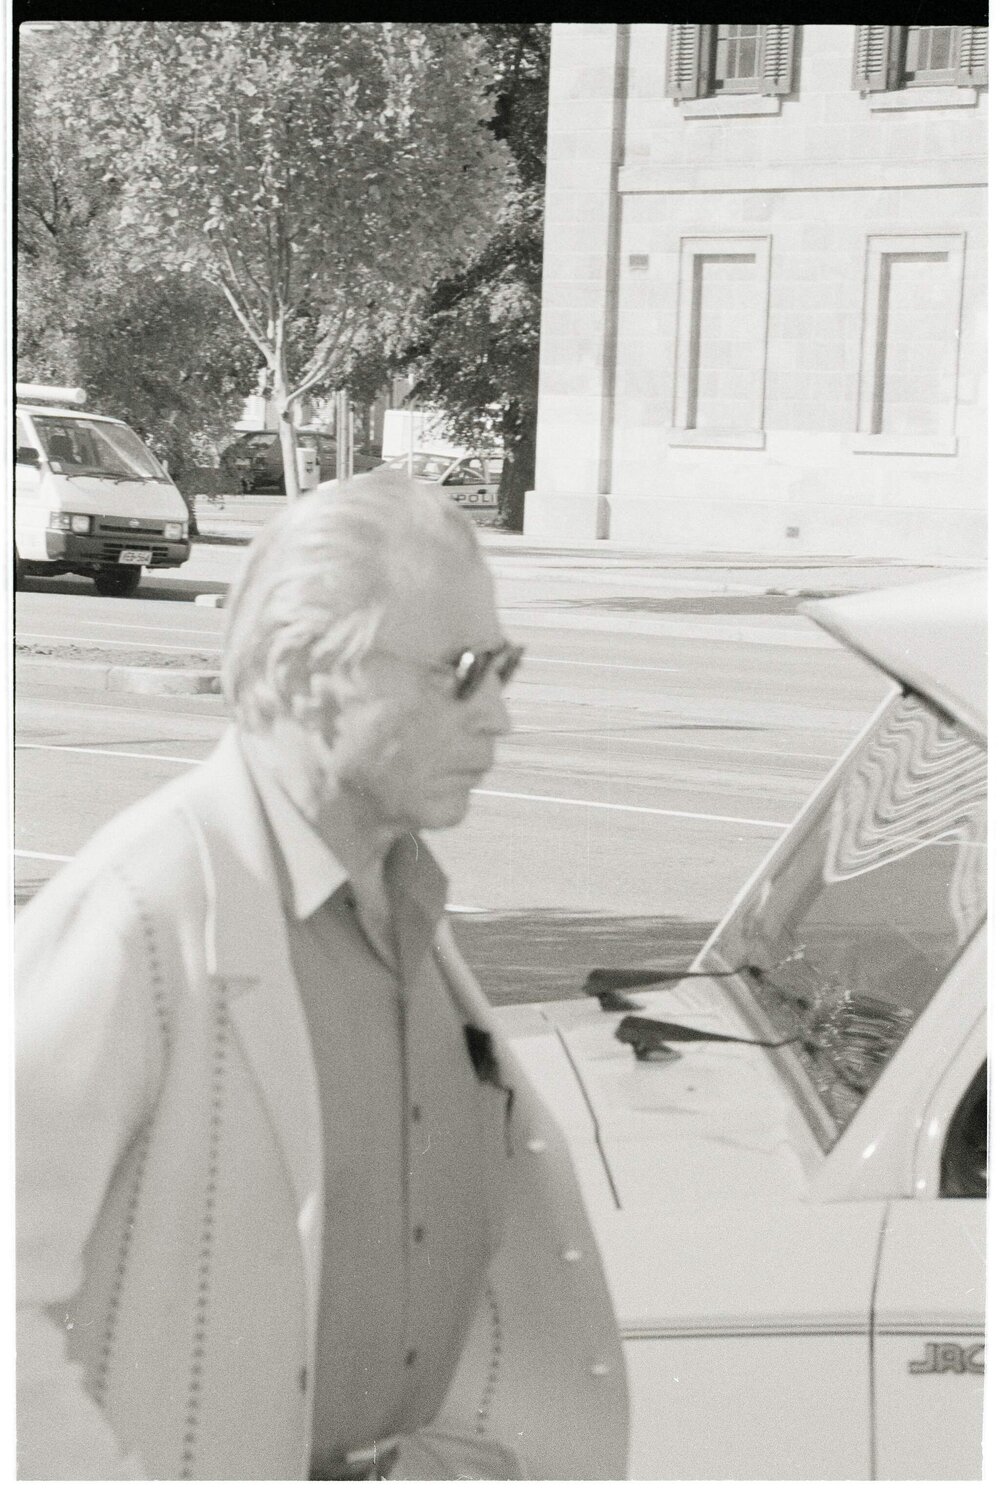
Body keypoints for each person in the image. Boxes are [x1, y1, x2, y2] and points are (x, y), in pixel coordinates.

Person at [15, 471, 628, 1480]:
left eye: (504, 668)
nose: (498, 720)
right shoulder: (144, 913)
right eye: (462, 670)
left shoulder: (401, 905)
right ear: (307, 678)